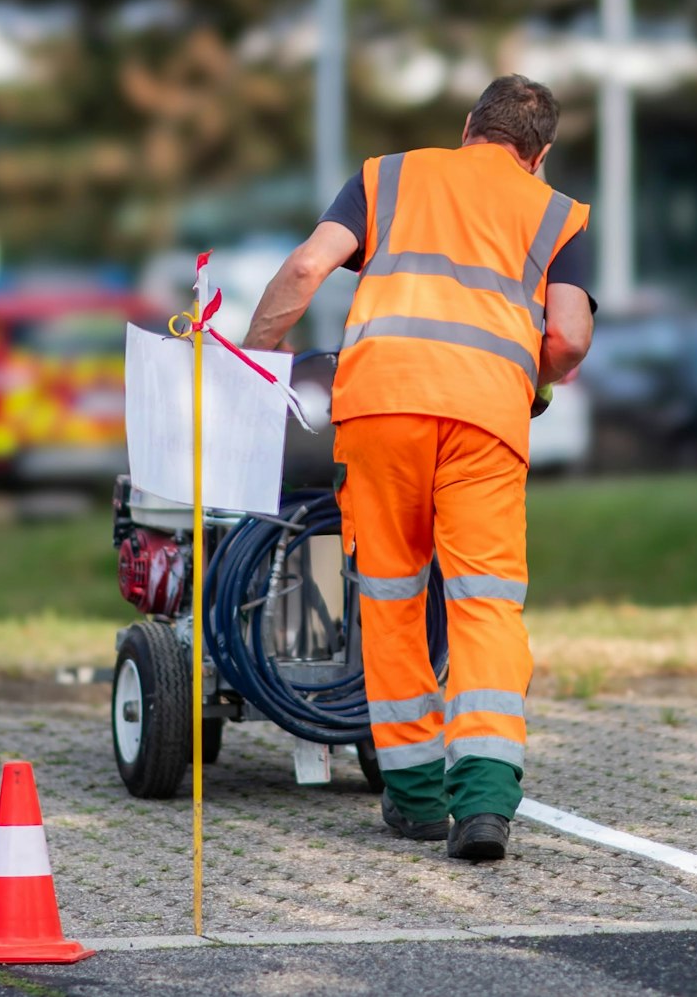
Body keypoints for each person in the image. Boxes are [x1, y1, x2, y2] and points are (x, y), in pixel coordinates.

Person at [243, 75, 596, 862]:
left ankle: (414, 799)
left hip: (380, 407)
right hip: (486, 420)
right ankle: (486, 802)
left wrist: (252, 362)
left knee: (393, 592)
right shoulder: (558, 213)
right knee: (485, 602)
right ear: (538, 156)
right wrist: (527, 376)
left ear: (470, 124)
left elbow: (305, 270)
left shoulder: (387, 176)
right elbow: (568, 337)